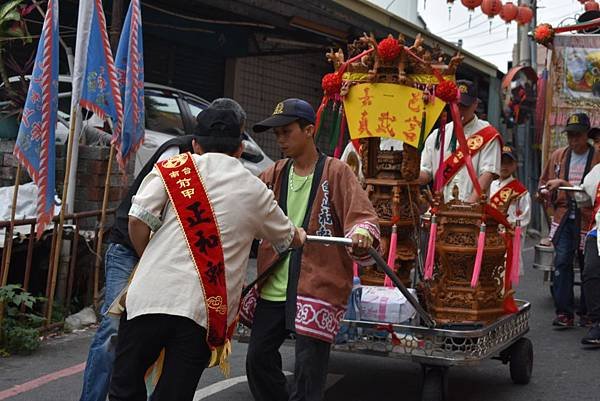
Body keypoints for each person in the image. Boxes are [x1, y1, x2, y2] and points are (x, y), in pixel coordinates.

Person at [108, 108, 305, 401]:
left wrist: (147, 255)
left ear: (196, 145)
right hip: (201, 313)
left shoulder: (174, 169)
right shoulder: (254, 189)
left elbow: (137, 219)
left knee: (124, 390)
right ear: (240, 149)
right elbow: (288, 237)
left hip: (147, 300)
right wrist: (299, 234)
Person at [78, 99, 245, 401]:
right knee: (114, 333)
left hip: (165, 263)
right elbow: (140, 217)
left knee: (165, 340)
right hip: (132, 248)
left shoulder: (232, 170)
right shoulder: (176, 152)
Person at [243, 98, 380, 401]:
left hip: (317, 284)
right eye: (276, 134)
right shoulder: (275, 173)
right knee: (257, 359)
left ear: (309, 130)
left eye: (286, 132)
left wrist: (361, 234)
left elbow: (363, 217)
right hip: (273, 282)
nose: (280, 140)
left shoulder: (337, 172)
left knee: (308, 371)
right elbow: (247, 205)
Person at [538, 113, 600, 328]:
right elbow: (543, 182)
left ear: (586, 136)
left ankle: (587, 312)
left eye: (578, 135)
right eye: (570, 135)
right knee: (562, 261)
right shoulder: (558, 155)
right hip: (563, 215)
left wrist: (564, 183)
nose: (574, 140)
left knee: (587, 266)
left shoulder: (597, 157)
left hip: (588, 218)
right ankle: (564, 312)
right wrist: (545, 192)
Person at [419, 80, 502, 203]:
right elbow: (425, 173)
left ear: (475, 104)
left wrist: (469, 208)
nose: (459, 110)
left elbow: (487, 174)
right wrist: (408, 171)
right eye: (456, 105)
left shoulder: (488, 134)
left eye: (465, 106)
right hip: (441, 209)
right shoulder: (438, 135)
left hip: (474, 211)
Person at [559, 127, 600, 344]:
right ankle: (597, 322)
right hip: (598, 229)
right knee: (591, 272)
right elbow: (583, 195)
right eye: (599, 142)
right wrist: (564, 186)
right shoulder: (597, 172)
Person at [489, 145, 532, 273]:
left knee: (506, 271)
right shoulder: (489, 185)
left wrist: (510, 227)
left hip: (508, 235)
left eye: (508, 163)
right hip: (490, 233)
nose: (504, 166)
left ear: (515, 165)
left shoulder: (521, 192)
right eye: (501, 162)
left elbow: (524, 217)